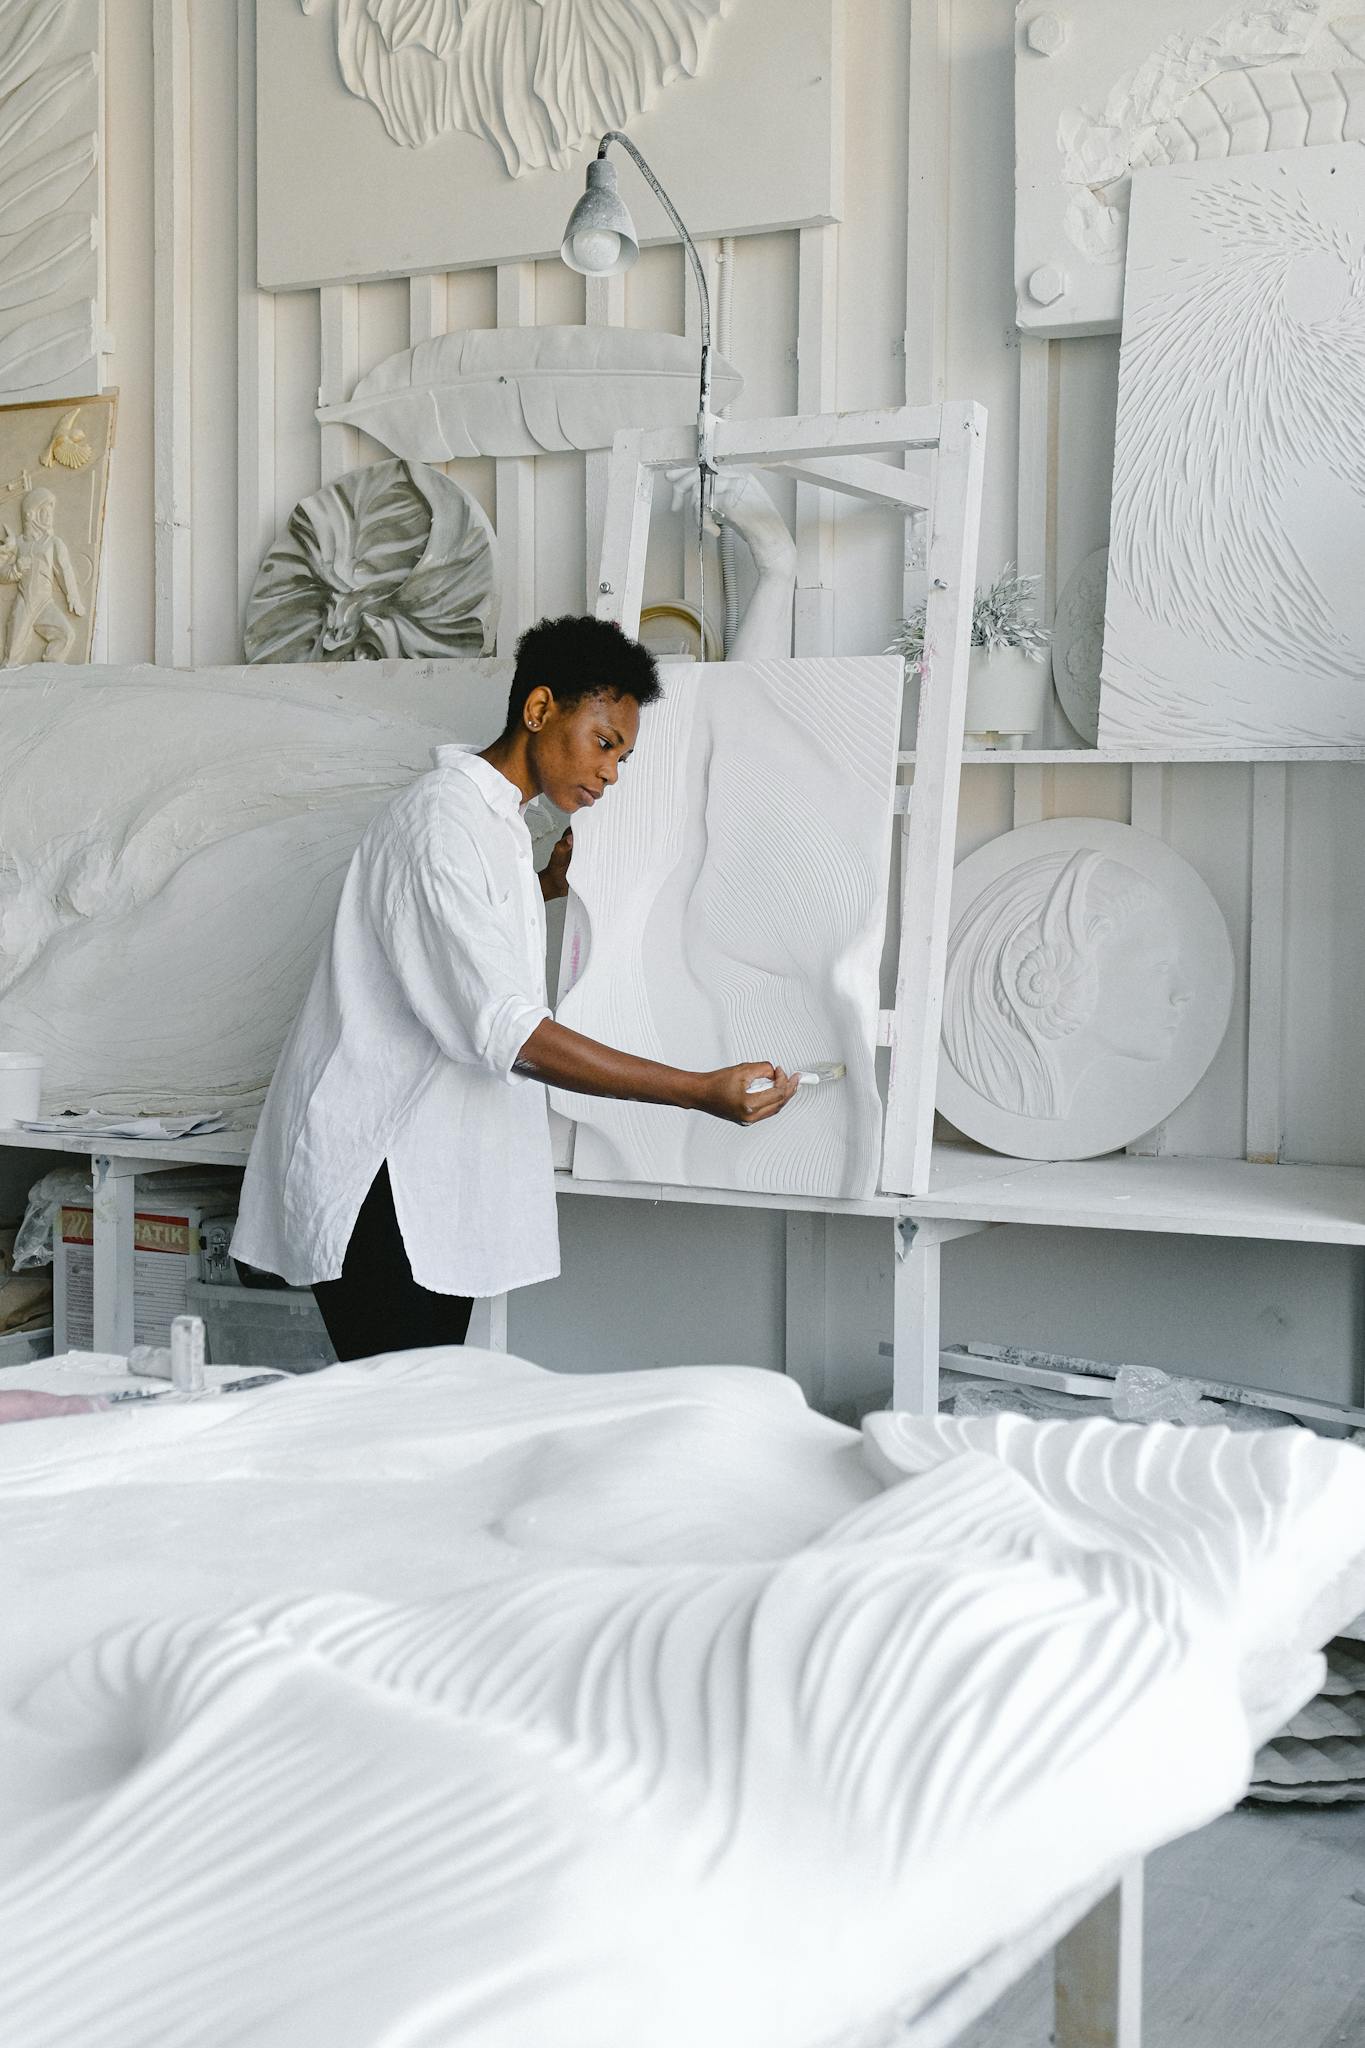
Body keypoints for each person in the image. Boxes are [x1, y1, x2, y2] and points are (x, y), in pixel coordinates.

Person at [231, 614, 798, 1360]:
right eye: (603, 743)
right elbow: (504, 1027)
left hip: (428, 1180)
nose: (609, 774)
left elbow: (450, 936)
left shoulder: (493, 824)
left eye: (622, 757)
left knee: (426, 1418)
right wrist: (695, 1091)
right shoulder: (441, 822)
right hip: (386, 1181)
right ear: (538, 711)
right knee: (401, 1434)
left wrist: (541, 888)